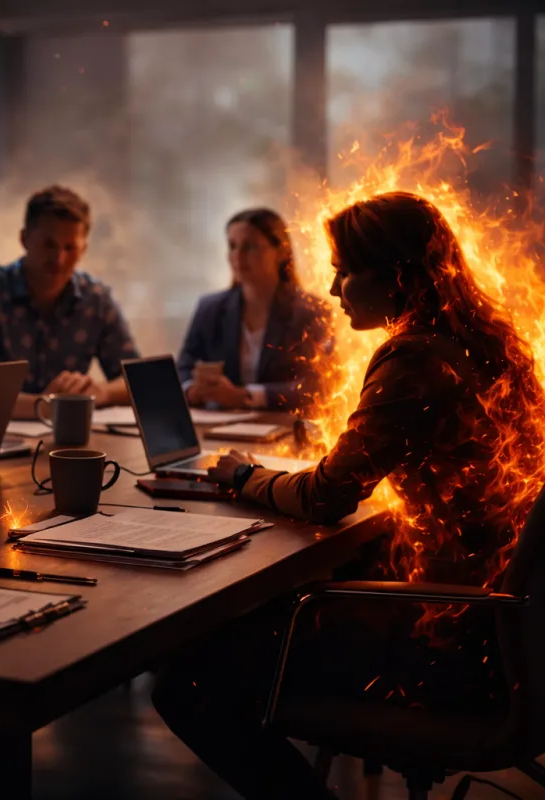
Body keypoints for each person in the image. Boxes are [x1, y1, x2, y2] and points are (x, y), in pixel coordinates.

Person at [152, 192, 545, 799]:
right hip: (511, 642)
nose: (333, 289)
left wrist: (241, 476)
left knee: (188, 681)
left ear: (393, 276)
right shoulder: (488, 342)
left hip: (451, 647)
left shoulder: (414, 356)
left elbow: (323, 498)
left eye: (344, 271)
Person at [0, 185, 140, 418]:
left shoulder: (96, 298)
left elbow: (140, 379)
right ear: (24, 238)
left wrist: (100, 392)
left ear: (84, 249)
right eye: (49, 244)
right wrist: (46, 406)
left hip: (69, 440)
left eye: (70, 247)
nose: (59, 259)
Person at [177, 208, 330, 410]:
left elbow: (319, 385)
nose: (237, 256)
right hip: (217, 428)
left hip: (282, 429)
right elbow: (184, 368)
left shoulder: (311, 311)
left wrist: (245, 396)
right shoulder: (209, 308)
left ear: (281, 252)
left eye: (250, 247)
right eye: (232, 246)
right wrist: (192, 390)